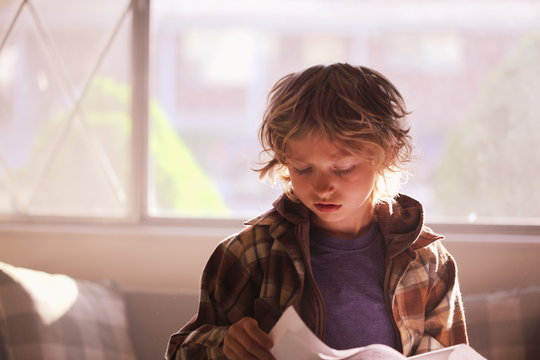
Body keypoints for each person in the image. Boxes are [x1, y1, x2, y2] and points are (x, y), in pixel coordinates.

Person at [165, 63, 468, 360]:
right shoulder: (249, 254)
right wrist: (224, 344)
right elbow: (181, 351)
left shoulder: (428, 262)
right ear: (284, 158)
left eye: (343, 169)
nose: (322, 187)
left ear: (385, 154)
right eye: (303, 168)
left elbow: (450, 353)